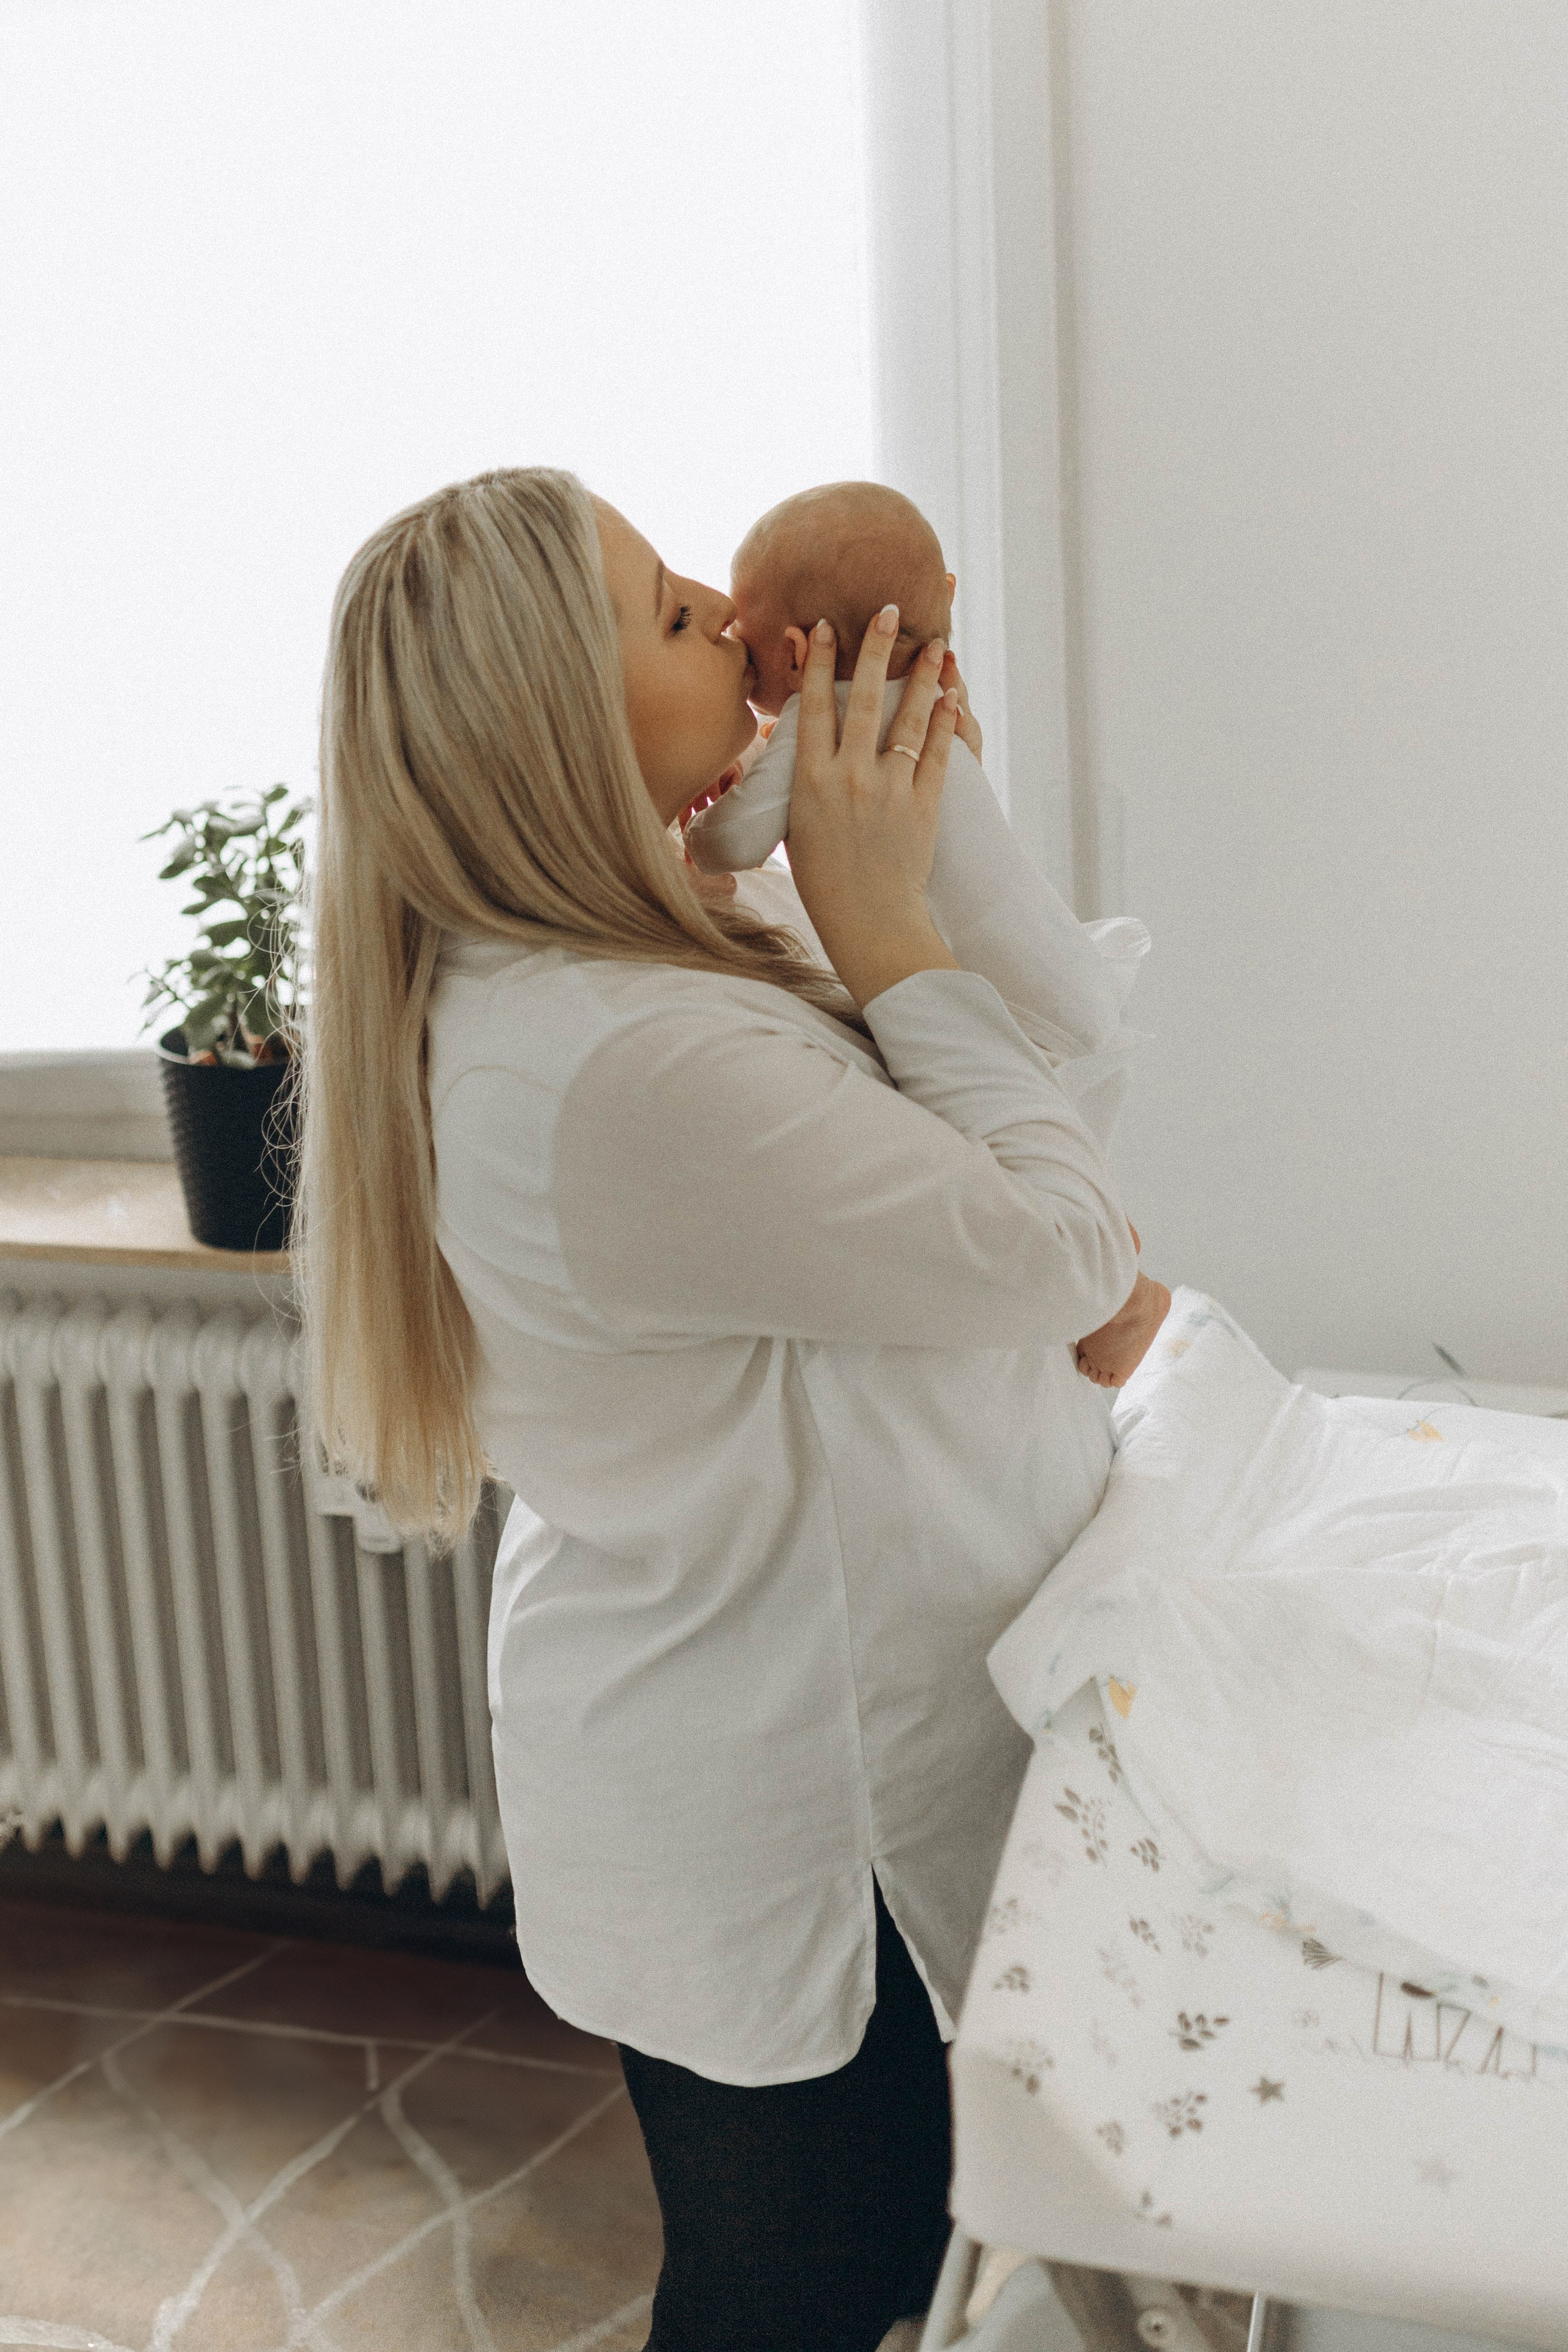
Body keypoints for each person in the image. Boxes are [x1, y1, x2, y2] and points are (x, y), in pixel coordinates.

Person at [299, 465, 1148, 2352]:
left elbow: (1036, 1096)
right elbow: (1063, 1241)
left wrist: (916, 828)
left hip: (776, 1729)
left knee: (852, 2268)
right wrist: (886, 911)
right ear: (554, 721)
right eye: (673, 610)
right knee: (801, 2292)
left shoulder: (661, 947)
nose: (725, 610)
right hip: (785, 1794)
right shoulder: (625, 1060)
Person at [686, 478, 1170, 1389]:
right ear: (944, 597)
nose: (731, 650)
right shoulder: (924, 703)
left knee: (1006, 1157)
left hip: (1006, 991)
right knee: (1028, 1150)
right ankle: (1123, 1285)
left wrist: (705, 819)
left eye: (743, 643)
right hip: (1048, 967)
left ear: (793, 652)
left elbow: (730, 843)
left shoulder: (823, 717)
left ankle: (1121, 1292)